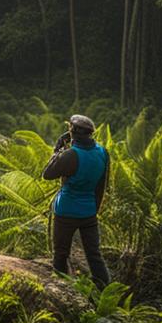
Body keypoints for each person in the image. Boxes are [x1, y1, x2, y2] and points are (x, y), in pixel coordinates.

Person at [44, 114, 111, 286]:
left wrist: (57, 151)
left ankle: (61, 292)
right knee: (94, 255)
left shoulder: (70, 155)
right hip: (89, 211)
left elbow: (48, 174)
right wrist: (93, 210)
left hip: (65, 211)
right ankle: (105, 294)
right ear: (90, 134)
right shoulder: (103, 153)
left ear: (72, 132)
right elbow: (102, 185)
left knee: (61, 254)